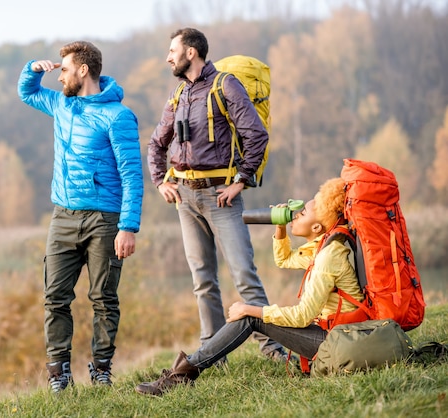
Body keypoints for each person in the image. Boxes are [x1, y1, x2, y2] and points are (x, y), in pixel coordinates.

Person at [135, 177, 365, 396]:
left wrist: (250, 310)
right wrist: (280, 227)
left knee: (250, 317)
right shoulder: (329, 245)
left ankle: (180, 376)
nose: (296, 215)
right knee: (251, 313)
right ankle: (183, 372)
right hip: (335, 335)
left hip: (335, 342)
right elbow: (284, 260)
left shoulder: (328, 257)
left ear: (316, 228)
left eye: (302, 213)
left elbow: (302, 316)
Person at [147, 27, 284, 361]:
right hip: (185, 200)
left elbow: (257, 135)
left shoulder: (227, 85)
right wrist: (159, 182)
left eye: (172, 51)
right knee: (203, 280)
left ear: (191, 52)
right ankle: (212, 353)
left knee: (244, 276)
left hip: (221, 198)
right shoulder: (178, 94)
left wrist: (240, 181)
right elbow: (156, 143)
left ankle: (272, 349)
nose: (168, 57)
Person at [18, 41, 144, 393]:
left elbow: (132, 176)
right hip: (63, 217)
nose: (60, 77)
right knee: (55, 297)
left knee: (104, 298)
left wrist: (128, 227)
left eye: (65, 69)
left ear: (84, 70)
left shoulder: (118, 116)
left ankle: (101, 368)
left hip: (104, 220)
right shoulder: (61, 105)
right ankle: (59, 374)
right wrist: (33, 69)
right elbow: (26, 92)